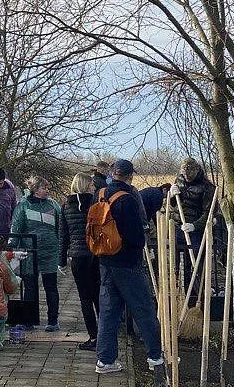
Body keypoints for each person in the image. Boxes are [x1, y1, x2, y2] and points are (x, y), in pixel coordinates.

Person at [95, 159, 165, 375]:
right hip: (128, 263)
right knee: (143, 309)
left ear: (112, 173)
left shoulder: (100, 194)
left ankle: (105, 360)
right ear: (130, 176)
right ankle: (155, 357)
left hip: (105, 260)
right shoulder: (128, 199)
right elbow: (137, 237)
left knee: (108, 312)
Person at [12, 176, 62, 332]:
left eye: (47, 187)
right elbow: (16, 227)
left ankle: (53, 321)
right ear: (35, 189)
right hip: (30, 252)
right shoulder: (23, 206)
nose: (47, 190)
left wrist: (61, 248)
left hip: (50, 252)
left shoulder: (53, 205)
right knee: (30, 287)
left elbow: (60, 227)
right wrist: (12, 247)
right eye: (43, 188)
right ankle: (28, 320)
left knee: (51, 286)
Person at [60, 172, 99, 351]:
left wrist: (61, 260)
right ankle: (105, 335)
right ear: (85, 186)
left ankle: (93, 336)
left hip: (77, 256)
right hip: (95, 254)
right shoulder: (95, 204)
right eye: (91, 184)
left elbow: (64, 235)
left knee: (85, 298)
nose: (94, 187)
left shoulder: (66, 206)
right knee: (99, 296)